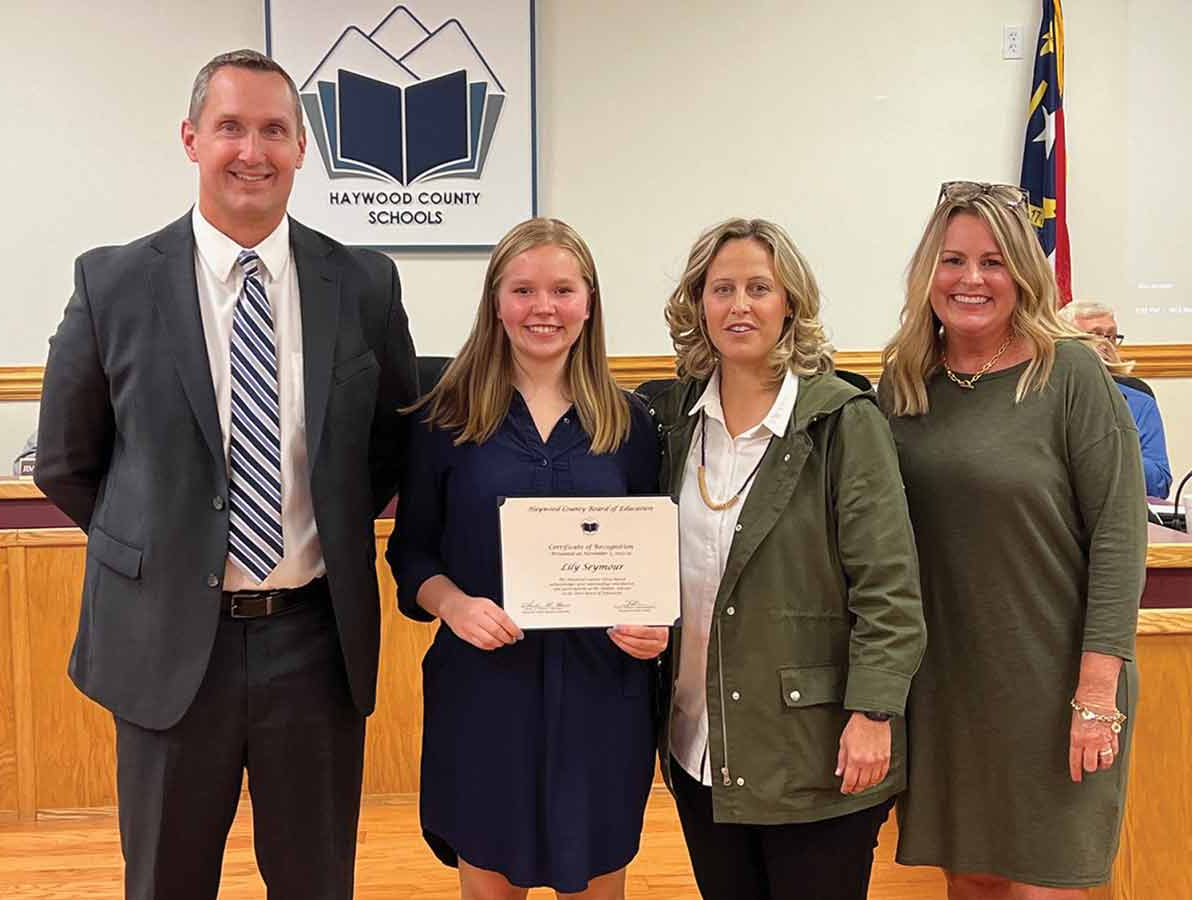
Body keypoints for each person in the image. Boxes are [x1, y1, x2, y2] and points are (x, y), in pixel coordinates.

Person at [34, 49, 417, 899]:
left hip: (314, 643)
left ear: (302, 149)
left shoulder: (362, 283)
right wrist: (167, 547)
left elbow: (388, 443)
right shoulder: (114, 282)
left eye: (275, 130)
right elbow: (67, 459)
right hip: (169, 641)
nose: (253, 150)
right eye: (231, 127)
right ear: (191, 139)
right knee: (166, 881)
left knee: (317, 882)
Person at [637, 218, 926, 900]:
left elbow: (888, 587)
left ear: (790, 303)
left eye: (759, 288)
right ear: (697, 304)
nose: (740, 305)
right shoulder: (671, 421)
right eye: (722, 288)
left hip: (818, 749)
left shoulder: (843, 420)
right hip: (702, 747)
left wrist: (874, 713)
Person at [880, 181, 1147, 898]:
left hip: (1058, 686)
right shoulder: (904, 383)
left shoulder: (1072, 373)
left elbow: (1120, 544)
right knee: (971, 884)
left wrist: (1096, 695)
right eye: (954, 259)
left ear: (1025, 274)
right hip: (945, 687)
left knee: (1047, 883)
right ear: (927, 271)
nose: (971, 279)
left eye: (994, 262)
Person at [387, 217, 665, 900]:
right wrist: (454, 606)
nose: (544, 308)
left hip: (603, 694)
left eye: (563, 290)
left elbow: (658, 563)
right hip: (486, 692)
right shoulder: (444, 419)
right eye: (524, 290)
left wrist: (655, 629)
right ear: (496, 302)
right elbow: (411, 552)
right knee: (490, 880)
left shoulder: (635, 426)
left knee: (597, 878)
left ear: (590, 302)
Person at [1058, 299, 1172, 497]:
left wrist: (1116, 444)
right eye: (1094, 336)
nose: (1105, 344)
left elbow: (1159, 484)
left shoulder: (1138, 399)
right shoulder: (1044, 394)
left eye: (1111, 337)